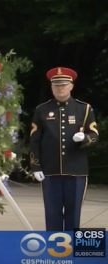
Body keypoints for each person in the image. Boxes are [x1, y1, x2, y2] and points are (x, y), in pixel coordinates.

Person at [30, 67, 99, 231]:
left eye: (63, 84)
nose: (60, 88)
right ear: (51, 87)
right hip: (50, 170)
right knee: (52, 213)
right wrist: (35, 165)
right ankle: (54, 252)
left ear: (71, 86)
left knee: (73, 214)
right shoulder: (41, 110)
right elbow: (35, 140)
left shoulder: (84, 109)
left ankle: (73, 251)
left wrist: (85, 138)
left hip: (77, 170)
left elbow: (95, 134)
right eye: (56, 85)